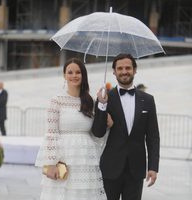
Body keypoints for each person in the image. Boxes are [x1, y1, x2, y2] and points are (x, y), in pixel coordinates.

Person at [35, 58, 107, 200]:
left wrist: (103, 109)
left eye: (78, 72)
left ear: (83, 75)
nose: (74, 75)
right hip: (64, 157)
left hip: (85, 157)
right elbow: (51, 133)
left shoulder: (90, 101)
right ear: (64, 75)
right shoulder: (56, 101)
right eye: (70, 72)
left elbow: (97, 134)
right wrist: (51, 163)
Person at [92, 53, 160, 200]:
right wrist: (102, 105)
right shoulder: (104, 98)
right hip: (110, 168)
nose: (124, 71)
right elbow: (97, 132)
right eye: (120, 68)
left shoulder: (148, 100)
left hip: (136, 170)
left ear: (135, 70)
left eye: (128, 68)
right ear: (114, 71)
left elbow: (153, 136)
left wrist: (153, 167)